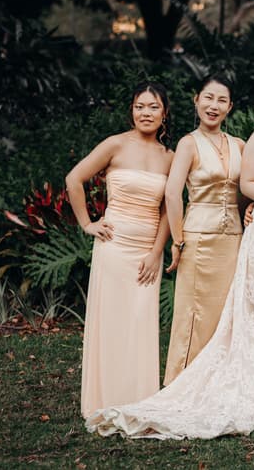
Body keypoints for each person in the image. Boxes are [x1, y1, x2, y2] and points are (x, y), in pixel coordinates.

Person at [86, 73, 254, 439]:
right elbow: (203, 190)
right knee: (209, 313)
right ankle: (180, 384)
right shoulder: (221, 141)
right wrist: (179, 240)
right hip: (220, 233)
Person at [66, 81, 174, 418]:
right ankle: (104, 399)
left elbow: (168, 209)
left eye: (153, 107)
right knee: (111, 323)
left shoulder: (169, 157)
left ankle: (140, 401)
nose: (146, 113)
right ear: (132, 110)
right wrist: (87, 223)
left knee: (141, 325)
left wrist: (157, 252)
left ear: (164, 114)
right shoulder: (115, 145)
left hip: (146, 251)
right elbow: (74, 179)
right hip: (113, 247)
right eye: (140, 106)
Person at [162, 75, 249, 386]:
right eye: (208, 98)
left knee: (228, 312)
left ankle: (221, 382)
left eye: (222, 100)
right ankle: (184, 383)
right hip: (198, 238)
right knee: (195, 314)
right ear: (196, 99)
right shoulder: (188, 143)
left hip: (234, 240)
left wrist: (249, 208)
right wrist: (177, 239)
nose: (214, 106)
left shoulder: (240, 144)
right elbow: (173, 193)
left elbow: (246, 189)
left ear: (230, 106)